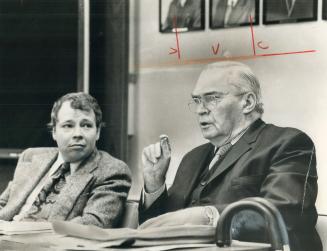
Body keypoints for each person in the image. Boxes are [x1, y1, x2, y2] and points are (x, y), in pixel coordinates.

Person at [139, 61, 322, 251]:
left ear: (248, 102)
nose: (200, 109)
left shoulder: (288, 143)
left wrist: (209, 216)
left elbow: (282, 215)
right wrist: (154, 185)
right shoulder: (192, 158)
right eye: (196, 100)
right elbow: (153, 232)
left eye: (212, 98)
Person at [0, 92, 131, 228]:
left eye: (86, 125)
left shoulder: (112, 171)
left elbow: (93, 224)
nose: (78, 134)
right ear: (54, 132)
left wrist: (20, 229)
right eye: (68, 125)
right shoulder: (31, 157)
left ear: (97, 132)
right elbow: (3, 204)